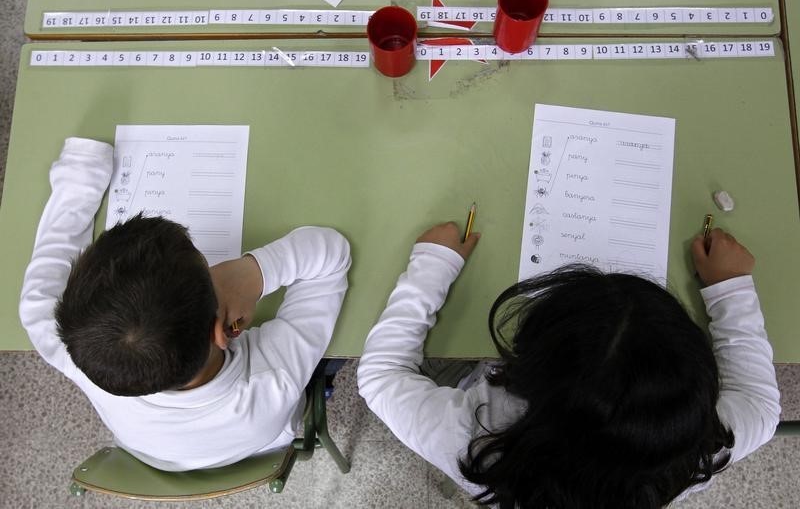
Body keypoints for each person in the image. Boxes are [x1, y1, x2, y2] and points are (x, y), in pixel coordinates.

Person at [357, 221, 780, 509]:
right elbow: (761, 407)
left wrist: (434, 263)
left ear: (526, 371)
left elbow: (379, 376)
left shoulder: (473, 438)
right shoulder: (692, 453)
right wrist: (730, 289)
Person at [19, 138, 351, 471]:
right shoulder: (272, 383)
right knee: (336, 356)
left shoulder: (83, 356)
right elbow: (331, 254)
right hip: (270, 434)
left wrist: (81, 173)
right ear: (223, 331)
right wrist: (252, 271)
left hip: (157, 450)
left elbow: (35, 304)